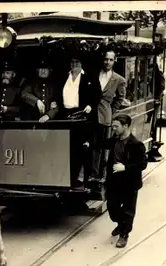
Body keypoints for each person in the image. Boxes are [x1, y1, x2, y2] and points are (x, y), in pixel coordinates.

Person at [54, 55, 102, 187]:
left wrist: (90, 106)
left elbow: (97, 94)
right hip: (66, 116)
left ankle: (83, 179)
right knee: (68, 148)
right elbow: (58, 93)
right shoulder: (64, 77)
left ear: (82, 64)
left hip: (83, 116)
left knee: (83, 148)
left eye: (77, 62)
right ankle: (69, 178)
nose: (74, 64)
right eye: (72, 61)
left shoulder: (89, 78)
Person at [105, 114, 148, 248]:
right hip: (114, 181)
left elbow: (142, 164)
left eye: (116, 127)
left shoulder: (136, 145)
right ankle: (120, 224)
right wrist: (88, 144)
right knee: (112, 207)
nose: (114, 129)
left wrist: (125, 167)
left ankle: (124, 234)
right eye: (113, 126)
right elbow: (103, 144)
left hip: (129, 183)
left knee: (128, 210)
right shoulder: (114, 140)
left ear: (125, 126)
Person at [89, 50, 126, 182]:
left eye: (110, 60)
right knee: (91, 144)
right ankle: (91, 173)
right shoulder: (94, 74)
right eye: (106, 59)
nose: (108, 62)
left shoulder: (119, 79)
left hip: (105, 116)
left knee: (101, 145)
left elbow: (121, 98)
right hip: (90, 113)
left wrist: (111, 110)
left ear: (114, 61)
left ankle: (99, 174)